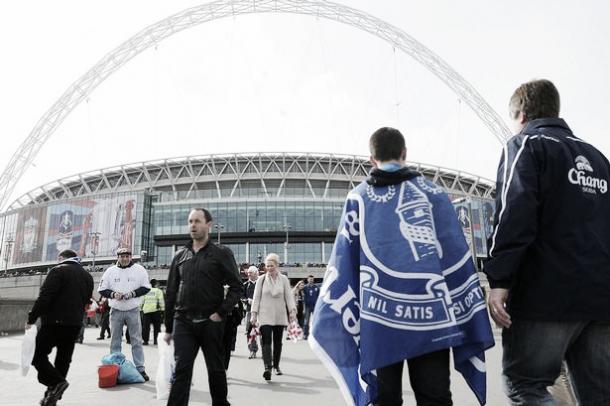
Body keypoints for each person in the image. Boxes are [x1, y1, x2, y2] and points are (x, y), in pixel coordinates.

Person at [310, 127, 494, 406]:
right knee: (435, 397)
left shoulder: (357, 198)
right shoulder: (434, 193)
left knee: (385, 400)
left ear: (371, 158)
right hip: (433, 318)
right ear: (404, 154)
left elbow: (345, 263)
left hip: (379, 320)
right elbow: (455, 255)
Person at [484, 79, 610, 405]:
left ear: (521, 115)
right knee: (599, 396)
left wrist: (499, 279)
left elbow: (513, 214)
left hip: (547, 297)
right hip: (601, 300)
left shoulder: (528, 145)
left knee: (525, 386)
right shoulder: (598, 159)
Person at [164, 208, 242, 406]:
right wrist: (169, 328)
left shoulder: (221, 253)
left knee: (215, 369)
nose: (193, 225)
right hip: (183, 322)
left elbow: (236, 286)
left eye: (197, 221)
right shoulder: (180, 256)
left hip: (211, 322)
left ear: (208, 225)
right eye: (190, 221)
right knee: (181, 370)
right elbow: (171, 292)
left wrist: (221, 312)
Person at [27, 249, 93, 406]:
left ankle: (56, 383)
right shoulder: (87, 277)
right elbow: (86, 301)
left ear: (61, 258)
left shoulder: (58, 271)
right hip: (75, 323)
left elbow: (45, 297)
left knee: (36, 354)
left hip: (54, 322)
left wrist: (32, 318)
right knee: (63, 360)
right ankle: (52, 396)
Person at [98, 247, 151, 381]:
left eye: (127, 256)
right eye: (122, 256)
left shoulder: (139, 270)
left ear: (131, 257)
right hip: (116, 310)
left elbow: (146, 287)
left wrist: (133, 293)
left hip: (133, 310)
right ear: (118, 257)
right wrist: (113, 294)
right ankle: (114, 369)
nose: (125, 258)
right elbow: (102, 289)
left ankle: (140, 369)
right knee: (115, 341)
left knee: (136, 341)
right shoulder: (110, 271)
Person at [250, 253, 297, 381]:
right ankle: (267, 368)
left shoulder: (284, 279)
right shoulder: (261, 279)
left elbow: (289, 296)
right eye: (267, 266)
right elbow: (256, 297)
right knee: (266, 341)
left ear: (277, 266)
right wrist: (253, 314)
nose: (269, 268)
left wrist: (292, 311)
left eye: (271, 265)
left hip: (279, 315)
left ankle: (276, 366)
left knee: (277, 342)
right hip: (264, 315)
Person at [141, 278, 165, 345]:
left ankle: (145, 341)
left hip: (146, 311)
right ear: (156, 284)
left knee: (146, 327)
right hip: (156, 311)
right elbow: (161, 301)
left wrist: (140, 309)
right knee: (157, 327)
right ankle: (156, 341)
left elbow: (142, 300)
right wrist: (163, 310)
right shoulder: (158, 291)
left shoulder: (146, 291)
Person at [243, 266, 259, 358]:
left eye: (251, 272)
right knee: (250, 331)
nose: (248, 274)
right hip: (249, 311)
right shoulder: (245, 285)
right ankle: (252, 350)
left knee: (261, 331)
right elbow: (241, 296)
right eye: (248, 273)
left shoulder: (260, 284)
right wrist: (247, 300)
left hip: (260, 311)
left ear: (256, 273)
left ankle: (266, 351)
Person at [301, 275, 320, 339]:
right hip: (307, 307)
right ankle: (305, 334)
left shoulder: (317, 287)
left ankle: (316, 334)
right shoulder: (305, 287)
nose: (311, 280)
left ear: (313, 279)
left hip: (315, 306)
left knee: (316, 320)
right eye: (310, 279)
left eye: (312, 279)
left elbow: (319, 298)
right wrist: (303, 308)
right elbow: (303, 297)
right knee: (306, 321)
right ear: (307, 279)